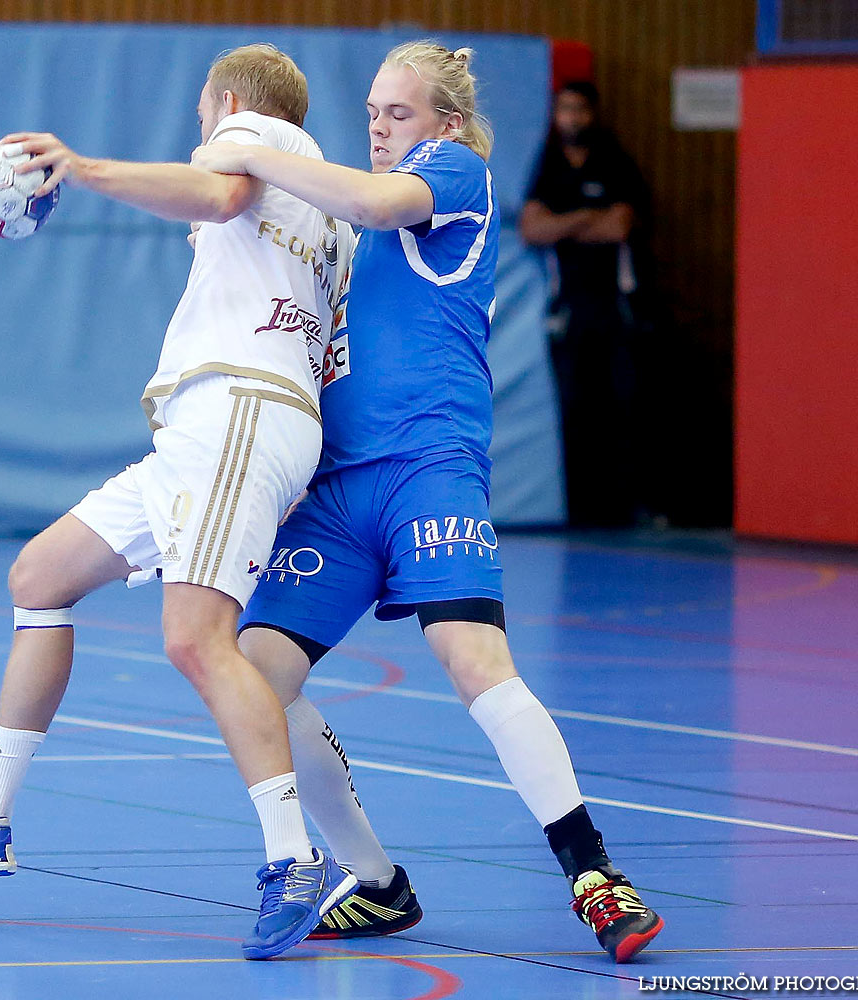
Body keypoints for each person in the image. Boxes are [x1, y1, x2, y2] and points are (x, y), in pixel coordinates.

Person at [191, 42, 664, 962]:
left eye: (396, 113)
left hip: (427, 467)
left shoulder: (453, 173)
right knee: (254, 672)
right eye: (370, 112)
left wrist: (244, 144)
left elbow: (370, 198)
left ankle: (593, 874)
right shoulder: (346, 240)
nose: (377, 127)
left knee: (472, 658)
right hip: (335, 488)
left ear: (444, 124)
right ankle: (374, 882)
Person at [0, 44, 357, 961]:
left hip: (236, 412)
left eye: (202, 119)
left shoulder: (251, 136)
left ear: (226, 103)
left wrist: (81, 168)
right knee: (39, 576)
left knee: (196, 640)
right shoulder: (330, 209)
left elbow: (221, 194)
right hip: (212, 425)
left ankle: (294, 861)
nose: (204, 136)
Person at [520, 81, 651, 528]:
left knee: (622, 402)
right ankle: (579, 510)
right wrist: (582, 218)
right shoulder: (549, 165)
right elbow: (533, 229)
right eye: (564, 110)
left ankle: (625, 508)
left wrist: (565, 222)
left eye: (580, 109)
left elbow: (617, 228)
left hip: (616, 307)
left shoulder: (615, 162)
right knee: (574, 406)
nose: (572, 118)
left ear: (594, 113)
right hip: (568, 309)